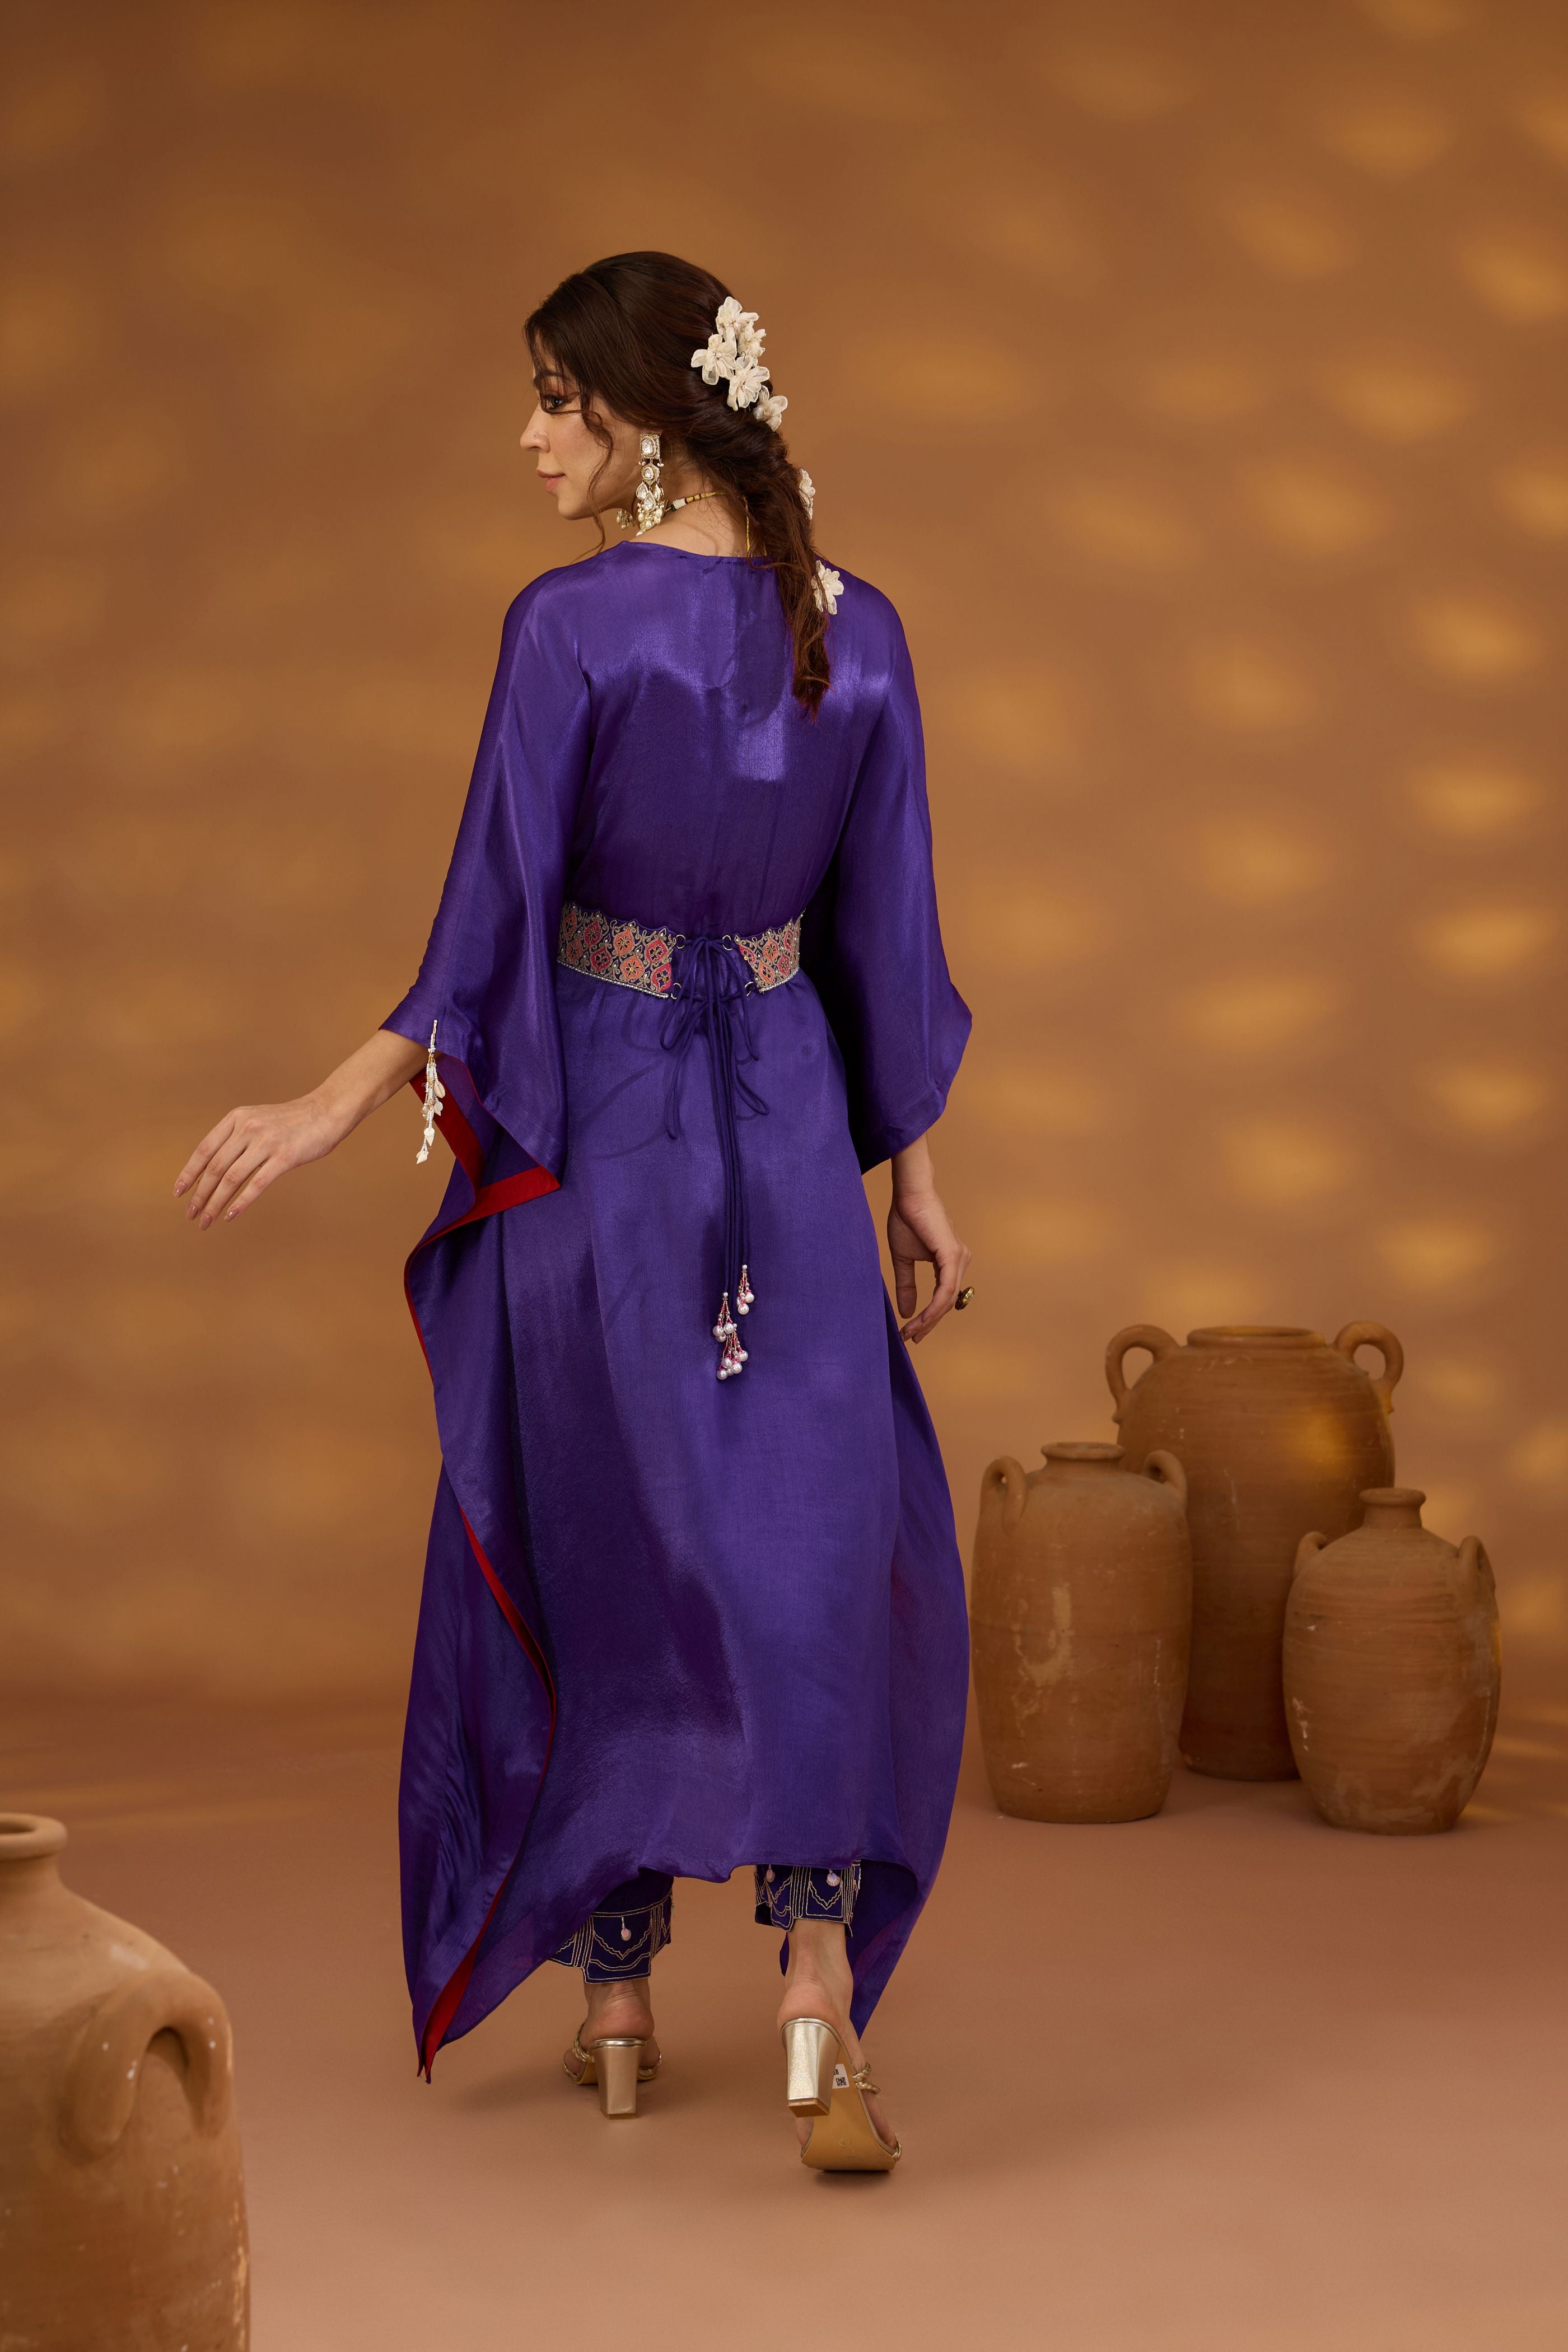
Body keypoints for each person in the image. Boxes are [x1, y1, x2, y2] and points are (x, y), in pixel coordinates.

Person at [175, 252, 972, 2173]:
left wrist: (333, 1099)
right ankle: (814, 1988)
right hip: (786, 1119)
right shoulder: (857, 632)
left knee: (603, 1522)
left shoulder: (572, 631)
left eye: (554, 399)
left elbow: (489, 917)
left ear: (645, 417)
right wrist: (917, 1181)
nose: (530, 437)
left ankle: (616, 1998)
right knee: (809, 1536)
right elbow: (886, 940)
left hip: (603, 1128)